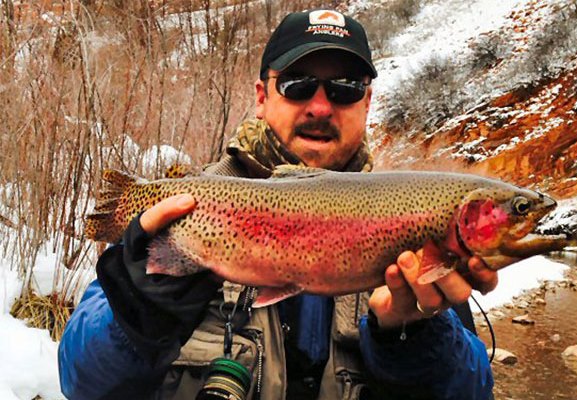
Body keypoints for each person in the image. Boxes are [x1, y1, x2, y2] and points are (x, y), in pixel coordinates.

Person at [58, 9, 496, 400]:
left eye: (344, 88)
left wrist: (414, 336)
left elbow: (473, 390)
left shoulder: (413, 215)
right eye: (297, 85)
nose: (320, 106)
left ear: (367, 102)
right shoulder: (189, 205)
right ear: (262, 97)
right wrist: (137, 321)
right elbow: (80, 381)